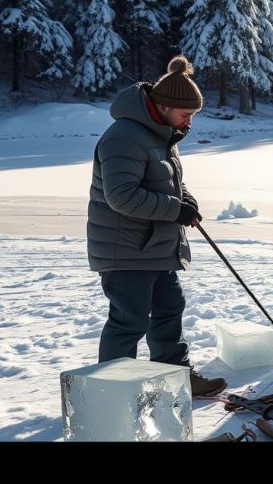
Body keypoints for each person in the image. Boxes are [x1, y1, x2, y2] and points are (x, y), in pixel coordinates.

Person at [87, 55, 226, 397]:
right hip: (127, 251)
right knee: (129, 322)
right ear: (163, 105)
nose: (190, 122)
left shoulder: (160, 134)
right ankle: (113, 393)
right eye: (186, 114)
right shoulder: (124, 137)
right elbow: (122, 196)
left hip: (157, 246)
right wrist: (175, 210)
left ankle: (177, 379)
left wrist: (187, 202)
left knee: (169, 313)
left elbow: (167, 183)